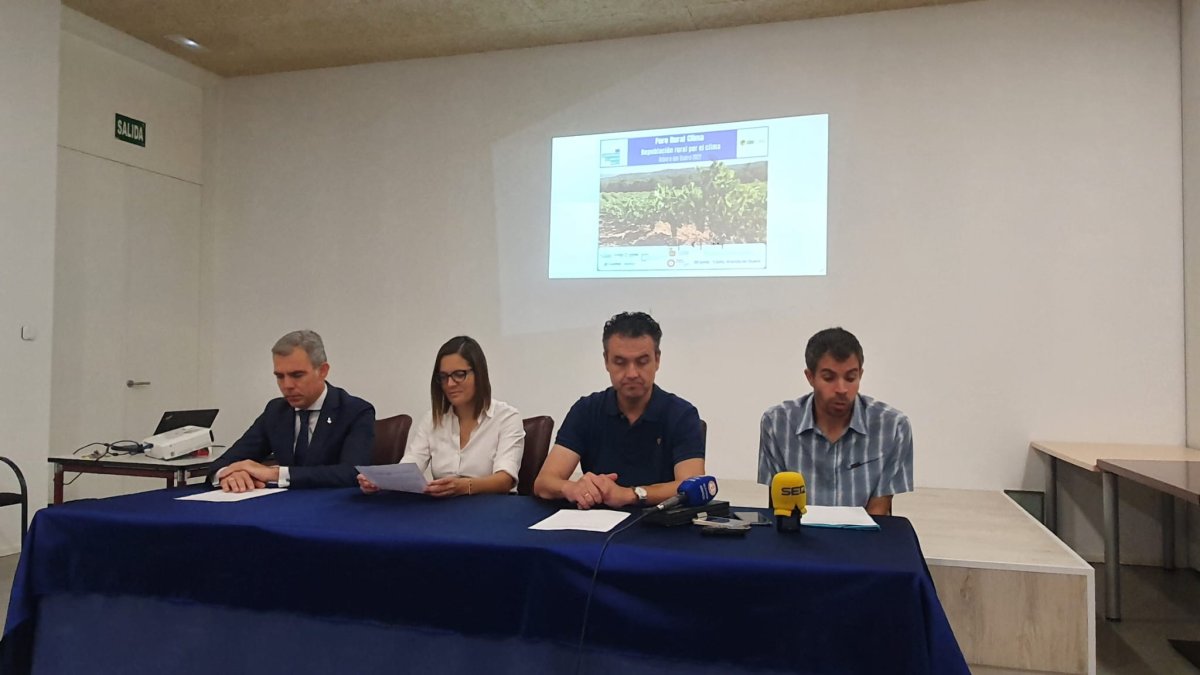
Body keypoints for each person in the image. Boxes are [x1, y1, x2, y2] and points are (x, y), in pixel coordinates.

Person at [533, 311, 705, 509]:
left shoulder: (681, 414)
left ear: (657, 360)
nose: (632, 373)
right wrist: (571, 488)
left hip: (661, 526)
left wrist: (630, 495)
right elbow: (544, 483)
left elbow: (691, 486)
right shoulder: (586, 410)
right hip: (596, 526)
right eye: (620, 362)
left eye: (642, 362)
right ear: (606, 361)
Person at [758, 327, 912, 516]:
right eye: (829, 378)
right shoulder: (777, 423)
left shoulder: (893, 427)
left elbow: (879, 512)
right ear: (810, 377)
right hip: (799, 537)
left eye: (850, 378)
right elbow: (781, 506)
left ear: (860, 375)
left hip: (864, 539)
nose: (841, 389)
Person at [207, 330, 376, 491]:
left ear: (322, 371)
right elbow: (227, 461)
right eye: (280, 376)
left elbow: (352, 473)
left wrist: (274, 473)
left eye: (297, 375)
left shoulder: (355, 411)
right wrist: (228, 475)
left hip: (331, 509)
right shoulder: (276, 411)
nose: (287, 385)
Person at [358, 336, 525, 497]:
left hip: (492, 507)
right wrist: (380, 481)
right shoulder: (432, 419)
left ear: (479, 374)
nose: (450, 384)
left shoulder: (507, 418)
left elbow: (505, 480)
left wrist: (464, 486)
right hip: (444, 510)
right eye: (443, 377)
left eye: (459, 374)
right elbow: (409, 467)